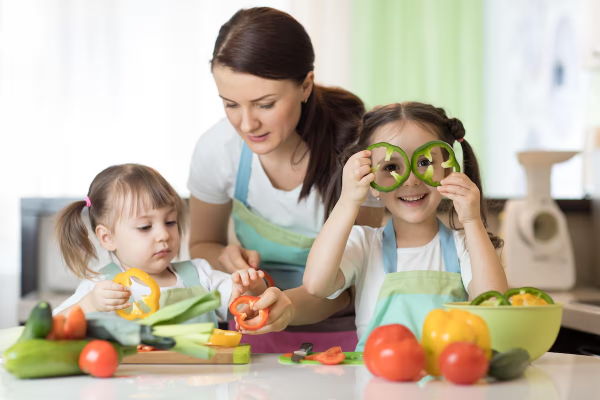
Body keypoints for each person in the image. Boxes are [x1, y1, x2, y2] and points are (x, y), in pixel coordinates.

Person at [187, 7, 383, 351]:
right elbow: (203, 244)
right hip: (251, 332)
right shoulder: (217, 150)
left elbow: (353, 282)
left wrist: (286, 306)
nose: (247, 124)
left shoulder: (356, 153)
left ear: (305, 85)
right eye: (230, 104)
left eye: (265, 104)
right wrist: (226, 257)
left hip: (347, 337)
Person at [303, 102, 508, 350]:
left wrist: (472, 220)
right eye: (391, 167)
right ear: (372, 181)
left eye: (424, 163)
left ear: (448, 168)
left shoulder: (464, 245)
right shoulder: (364, 245)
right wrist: (348, 201)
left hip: (448, 384)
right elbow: (316, 285)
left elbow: (493, 301)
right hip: (376, 384)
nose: (411, 180)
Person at [52, 164, 266, 325]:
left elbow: (248, 309)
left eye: (170, 222)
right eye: (145, 227)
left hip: (201, 383)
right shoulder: (101, 288)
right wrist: (89, 304)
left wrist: (253, 288)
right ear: (107, 237)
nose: (164, 234)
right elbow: (52, 327)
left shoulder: (201, 276)